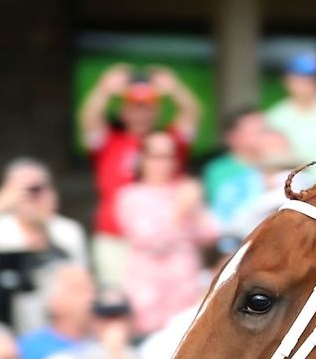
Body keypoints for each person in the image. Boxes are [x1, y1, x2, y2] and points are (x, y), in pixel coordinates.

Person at [79, 65, 200, 287]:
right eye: (135, 107)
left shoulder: (168, 142)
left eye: (146, 107)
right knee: (117, 300)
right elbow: (88, 119)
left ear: (156, 111)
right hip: (115, 237)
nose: (141, 112)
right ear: (124, 111)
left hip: (164, 238)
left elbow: (191, 114)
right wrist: (103, 90)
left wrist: (175, 89)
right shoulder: (111, 141)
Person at [114, 131, 220, 336]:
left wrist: (195, 210)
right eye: (157, 156)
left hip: (185, 291)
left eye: (169, 156)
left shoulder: (183, 190)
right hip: (149, 296)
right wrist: (180, 211)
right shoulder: (131, 196)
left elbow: (212, 233)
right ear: (142, 159)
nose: (164, 163)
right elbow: (151, 241)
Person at [0, 159, 88, 333]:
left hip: (57, 324)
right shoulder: (3, 229)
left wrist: (43, 225)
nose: (31, 196)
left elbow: (80, 281)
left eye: (38, 189)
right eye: (24, 189)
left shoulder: (66, 230)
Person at [202, 107, 287, 231]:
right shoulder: (218, 171)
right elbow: (224, 216)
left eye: (265, 131)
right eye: (256, 132)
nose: (264, 137)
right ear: (233, 137)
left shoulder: (277, 165)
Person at [16, 263, 96, 359]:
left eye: (92, 289)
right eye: (80, 290)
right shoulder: (26, 350)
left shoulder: (107, 341)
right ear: (53, 301)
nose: (92, 297)